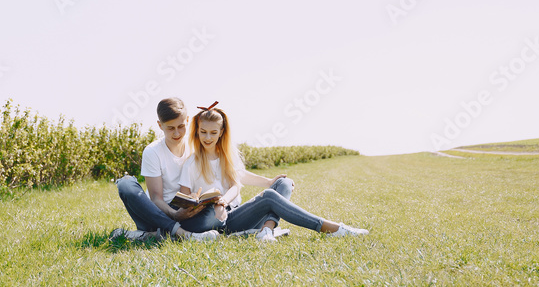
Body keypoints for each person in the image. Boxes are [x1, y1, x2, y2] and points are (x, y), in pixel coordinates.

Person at [177, 101, 368, 240]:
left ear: (221, 133)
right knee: (268, 196)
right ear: (197, 132)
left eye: (213, 132)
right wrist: (194, 201)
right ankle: (332, 228)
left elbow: (236, 183)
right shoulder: (191, 163)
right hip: (213, 219)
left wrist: (225, 200)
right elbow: (184, 200)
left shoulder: (227, 156)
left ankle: (266, 230)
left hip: (233, 212)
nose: (207, 137)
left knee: (283, 183)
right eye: (203, 132)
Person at [113, 97, 290, 242]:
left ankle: (155, 235)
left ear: (188, 121)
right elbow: (156, 198)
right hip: (161, 213)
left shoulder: (197, 145)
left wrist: (267, 182)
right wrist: (175, 215)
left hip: (193, 211)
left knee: (214, 214)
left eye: (181, 127)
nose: (176, 133)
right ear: (160, 126)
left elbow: (232, 172)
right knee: (126, 184)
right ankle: (180, 234)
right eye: (170, 128)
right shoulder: (152, 152)